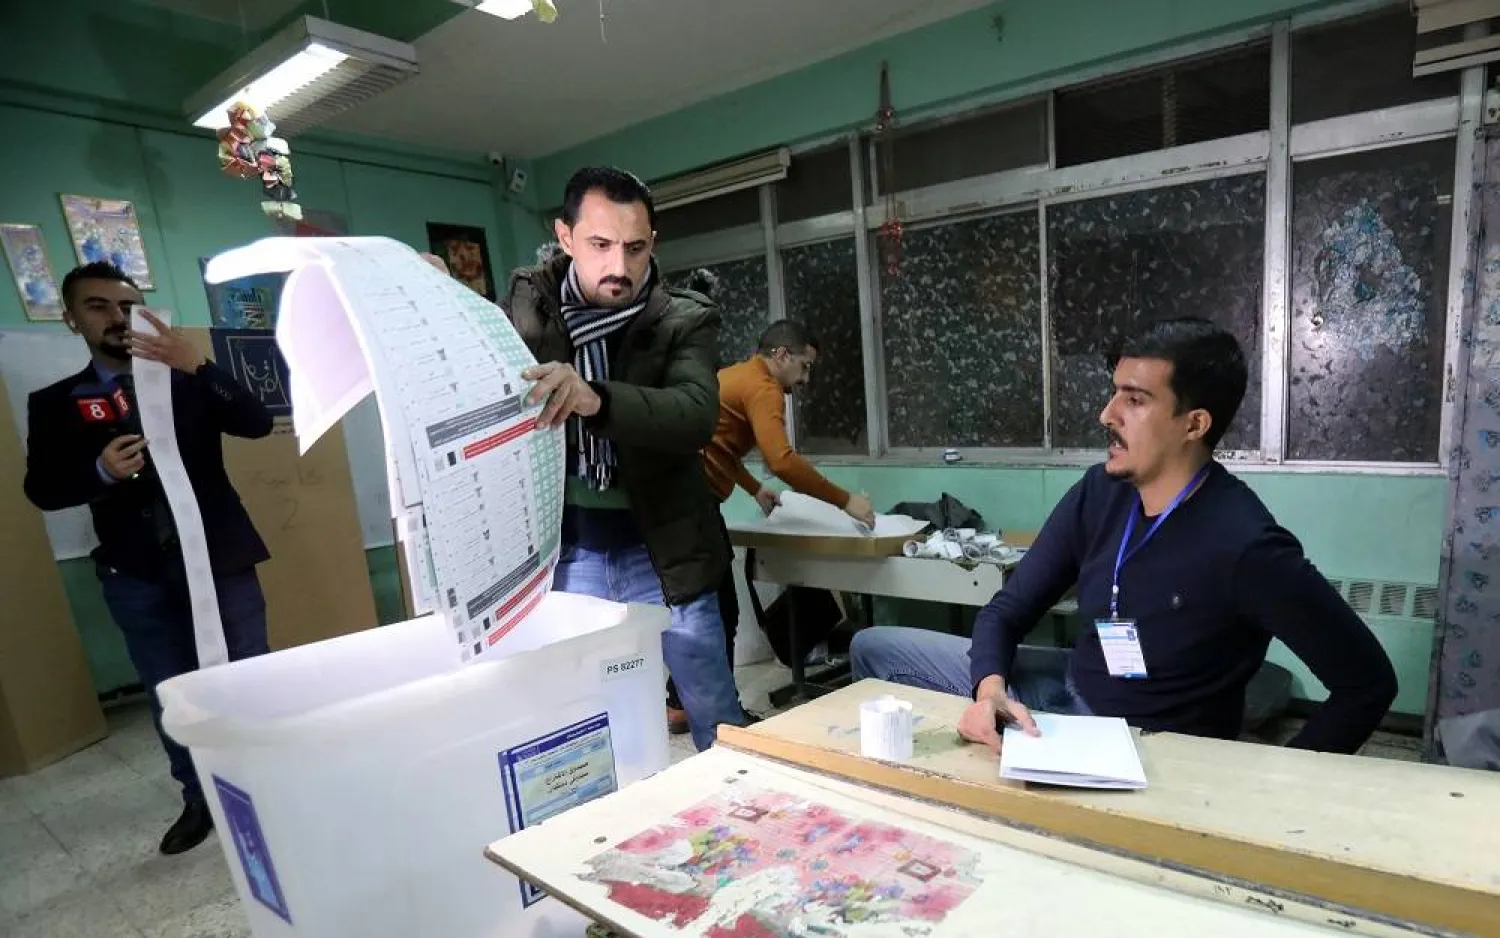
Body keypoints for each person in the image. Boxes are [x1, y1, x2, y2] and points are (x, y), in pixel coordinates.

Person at [850, 317, 1398, 756]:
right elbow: (1007, 610)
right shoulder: (1102, 491)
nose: (1106, 414)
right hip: (1068, 694)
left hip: (1152, 747)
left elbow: (1367, 685)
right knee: (873, 648)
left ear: (1194, 424)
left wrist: (1269, 787)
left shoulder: (1245, 545)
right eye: (1115, 394)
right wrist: (989, 690)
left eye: (1134, 400)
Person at [23, 261, 275, 853]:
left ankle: (265, 783)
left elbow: (257, 422)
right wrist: (98, 472)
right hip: (137, 572)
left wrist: (196, 362)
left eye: (127, 303)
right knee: (171, 689)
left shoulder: (189, 380)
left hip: (220, 560)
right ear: (70, 319)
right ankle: (198, 796)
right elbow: (43, 489)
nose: (116, 317)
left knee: (249, 676)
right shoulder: (57, 402)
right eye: (98, 306)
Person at [504, 166, 746, 751]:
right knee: (589, 715)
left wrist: (595, 398)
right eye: (600, 245)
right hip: (574, 553)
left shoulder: (683, 318)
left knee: (714, 710)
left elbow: (692, 416)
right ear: (565, 238)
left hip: (664, 552)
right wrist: (435, 294)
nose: (619, 266)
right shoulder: (529, 308)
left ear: (652, 245)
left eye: (635, 248)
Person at [662, 319, 876, 733]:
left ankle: (678, 703)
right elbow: (782, 459)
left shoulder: (734, 376)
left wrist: (755, 488)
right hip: (692, 503)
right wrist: (845, 500)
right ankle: (721, 715)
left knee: (702, 605)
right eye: (804, 366)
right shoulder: (764, 388)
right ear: (781, 355)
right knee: (718, 611)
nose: (806, 378)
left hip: (680, 499)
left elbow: (718, 445)